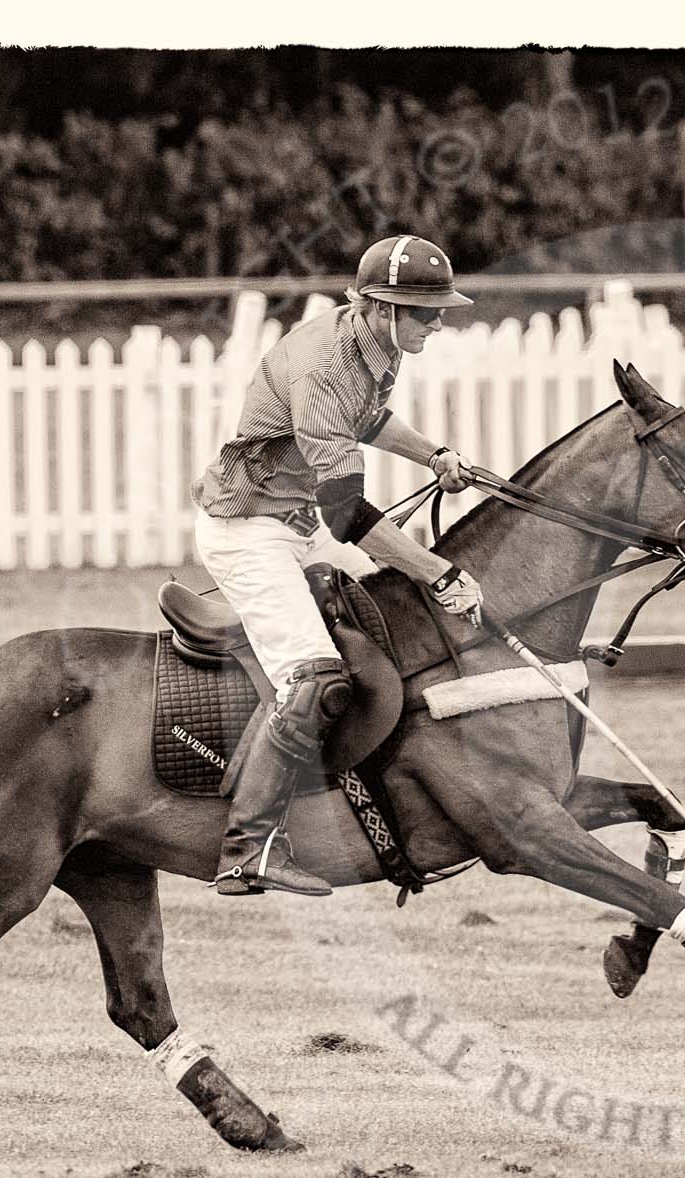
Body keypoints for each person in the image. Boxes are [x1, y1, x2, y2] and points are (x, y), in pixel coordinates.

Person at [191, 234, 484, 896]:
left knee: (383, 610)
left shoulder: (374, 344)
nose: (437, 323)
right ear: (381, 306)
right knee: (316, 675)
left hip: (299, 521)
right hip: (251, 531)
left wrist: (432, 453)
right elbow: (349, 515)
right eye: (425, 312)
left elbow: (370, 419)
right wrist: (434, 569)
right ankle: (247, 847)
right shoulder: (323, 366)